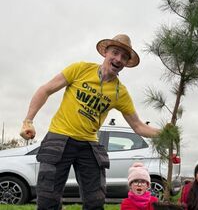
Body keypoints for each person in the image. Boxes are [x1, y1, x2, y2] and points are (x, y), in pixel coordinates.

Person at [19, 34, 159, 210]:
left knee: (95, 201)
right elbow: (46, 90)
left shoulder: (120, 93)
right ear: (105, 53)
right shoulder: (80, 69)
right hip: (59, 137)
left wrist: (165, 133)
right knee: (48, 200)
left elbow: (138, 126)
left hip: (89, 144)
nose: (118, 59)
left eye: (124, 57)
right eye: (115, 53)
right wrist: (28, 120)